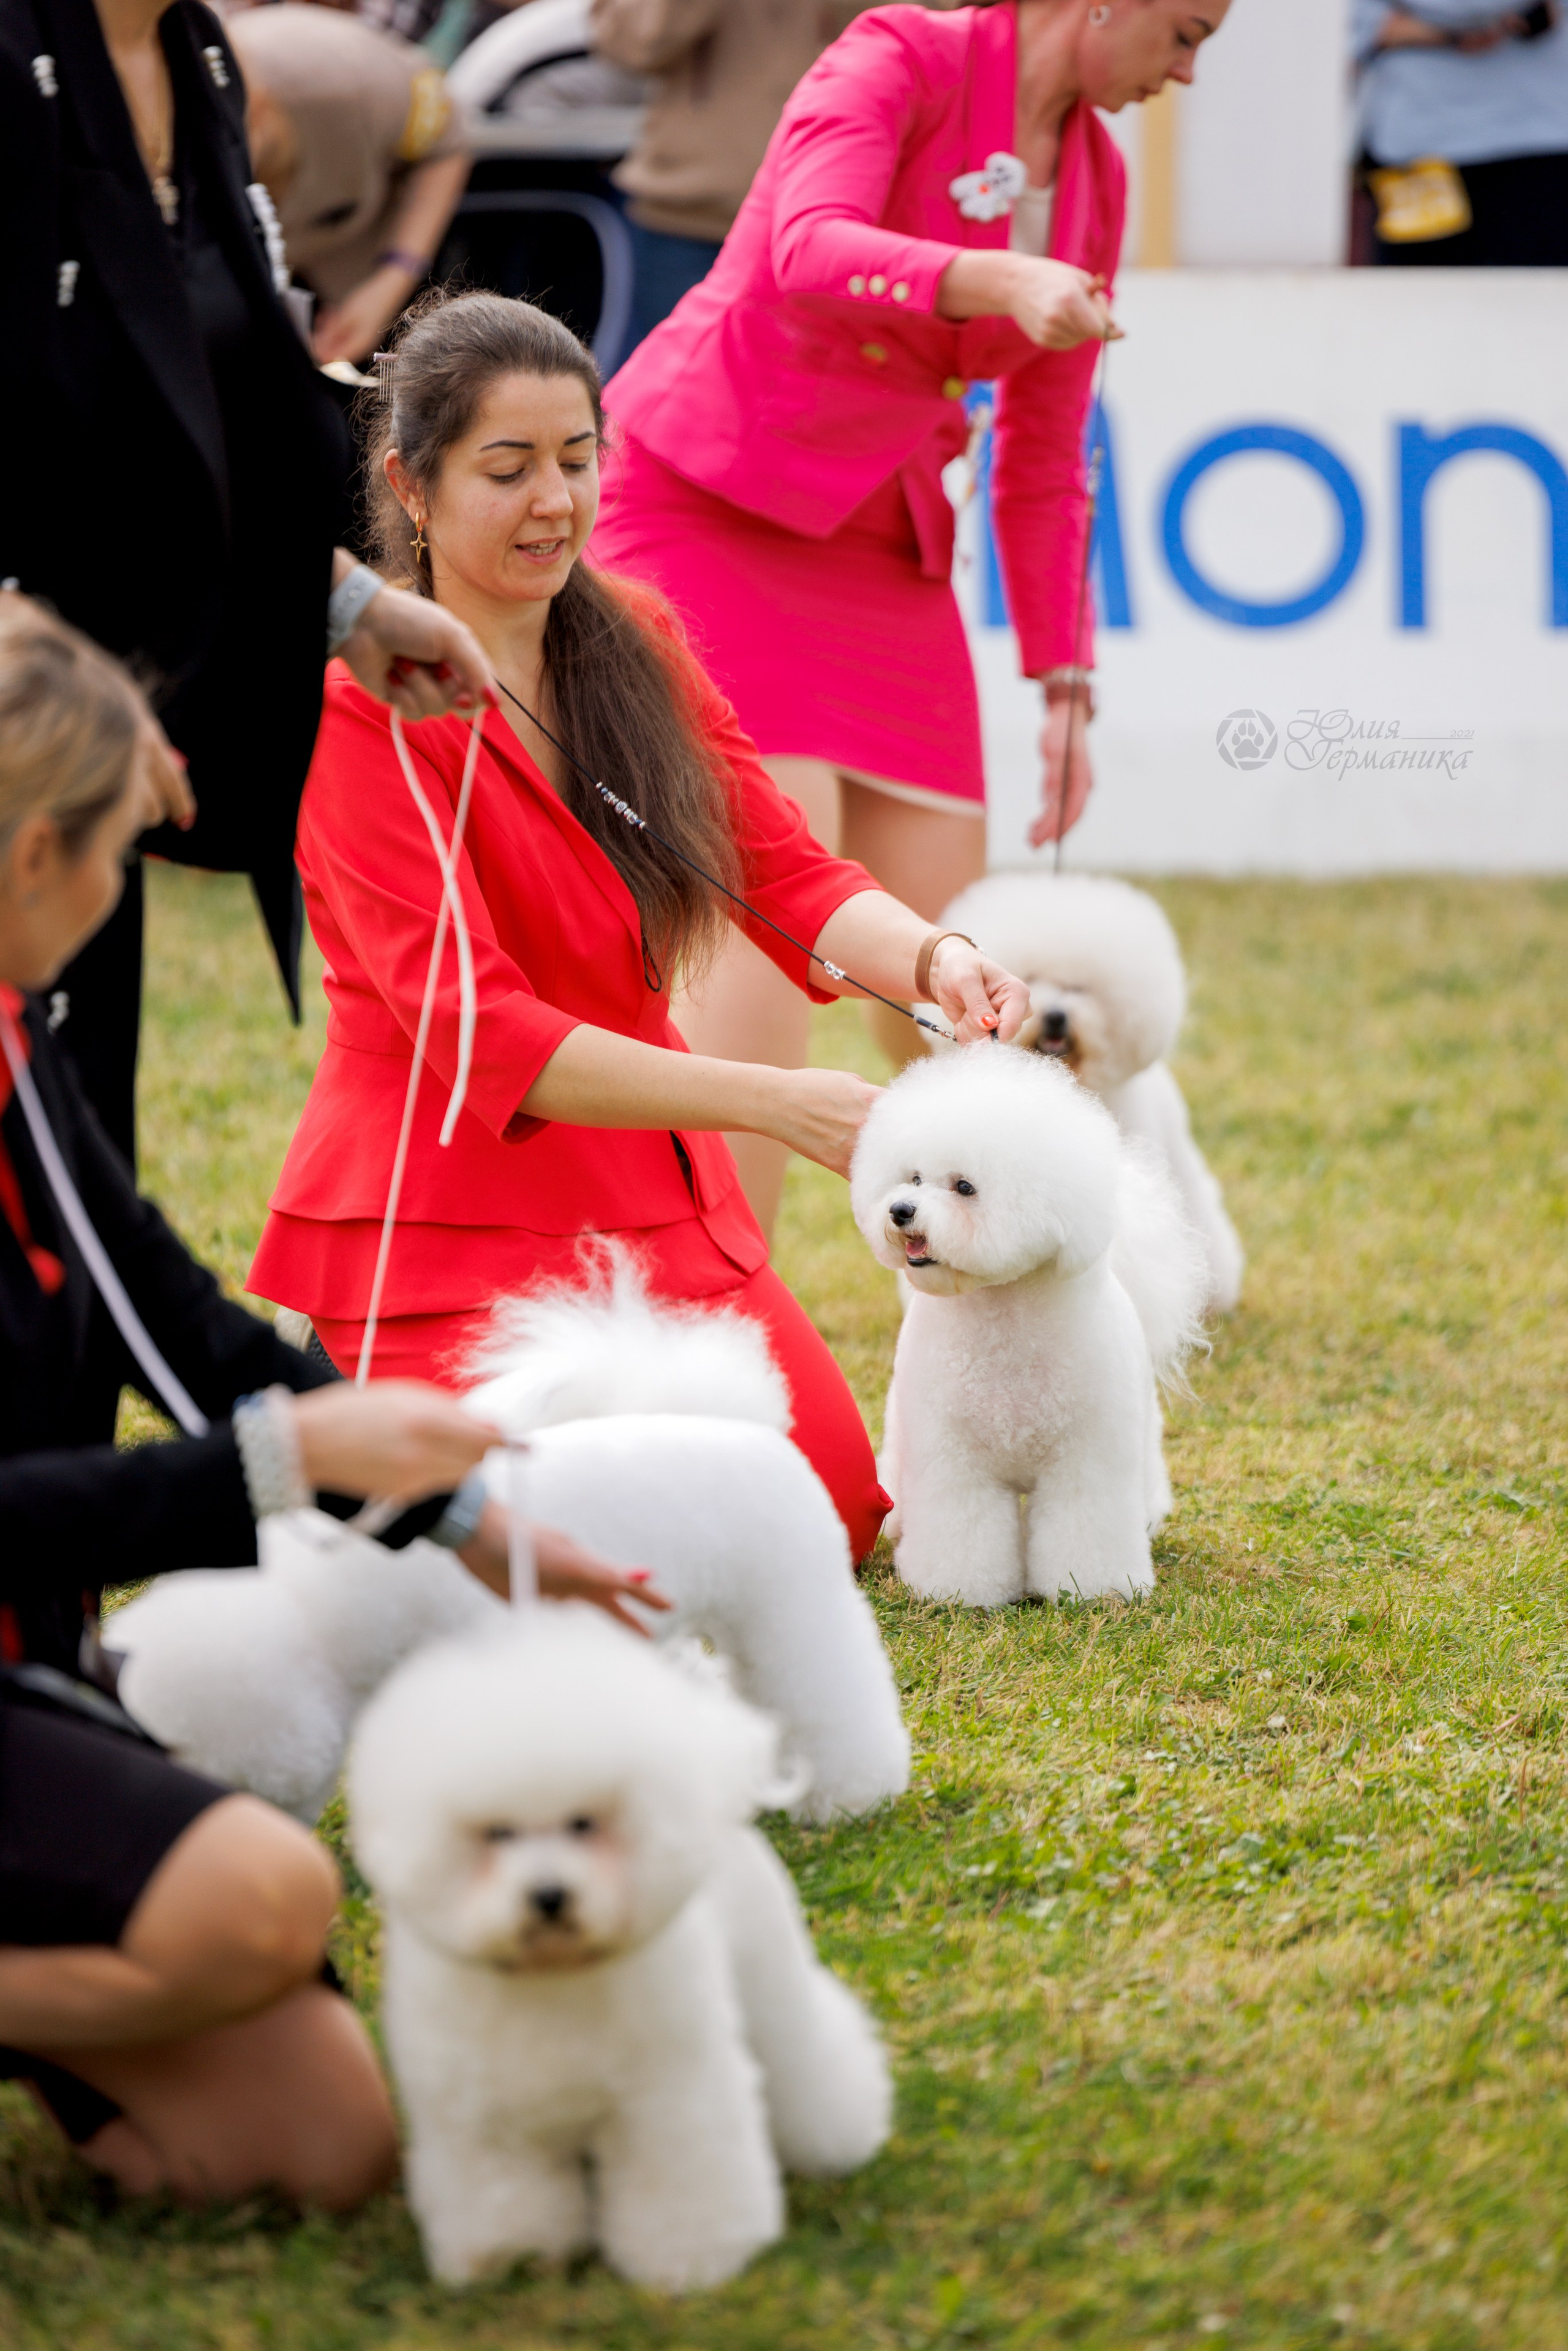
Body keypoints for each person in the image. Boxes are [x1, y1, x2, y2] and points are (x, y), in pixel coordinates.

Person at [0, 594, 662, 2205]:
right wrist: (283, 1462)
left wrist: (468, 1519)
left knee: (315, 2146)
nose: (118, 895)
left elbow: (176, 1314)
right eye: (114, 857)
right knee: (262, 1895)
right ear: (32, 857)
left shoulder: (16, 1040)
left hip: (30, 1663)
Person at [248, 290, 1033, 1565]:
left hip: (645, 1194)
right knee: (526, 1545)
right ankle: (340, 1384)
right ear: (409, 485)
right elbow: (482, 1034)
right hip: (437, 1205)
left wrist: (937, 958)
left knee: (822, 1516)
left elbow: (781, 865)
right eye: (506, 469)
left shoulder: (643, 636)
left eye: (577, 459)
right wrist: (771, 1098)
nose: (553, 500)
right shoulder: (355, 707)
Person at [591, 0, 1231, 1236]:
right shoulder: (902, 53)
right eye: (1184, 33)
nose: (1187, 73)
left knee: (961, 971)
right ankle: (713, 1291)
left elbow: (1047, 454)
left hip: (882, 546)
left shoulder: (1092, 180)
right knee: (771, 927)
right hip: (708, 501)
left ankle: (1049, 1252)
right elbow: (805, 244)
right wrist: (991, 278)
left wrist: (1063, 683)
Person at [0, 0, 493, 1166]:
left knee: (76, 1103)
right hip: (28, 689)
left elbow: (199, 389)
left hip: (99, 694)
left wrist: (342, 598)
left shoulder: (201, 58)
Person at [588, 0, 867, 352]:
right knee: (677, 383)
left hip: (836, 218)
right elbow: (634, 42)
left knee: (828, 391)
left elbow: (919, 33)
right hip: (690, 219)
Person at [228, 4, 474, 365]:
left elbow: (448, 142)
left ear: (260, 111)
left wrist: (393, 276)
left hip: (362, 275)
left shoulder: (350, 80)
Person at [1353, 0, 1568, 263]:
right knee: (1414, 298)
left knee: (1537, 298)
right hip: (1414, 155)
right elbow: (1341, 23)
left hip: (1535, 148)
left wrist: (1412, 25)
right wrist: (1458, 31)